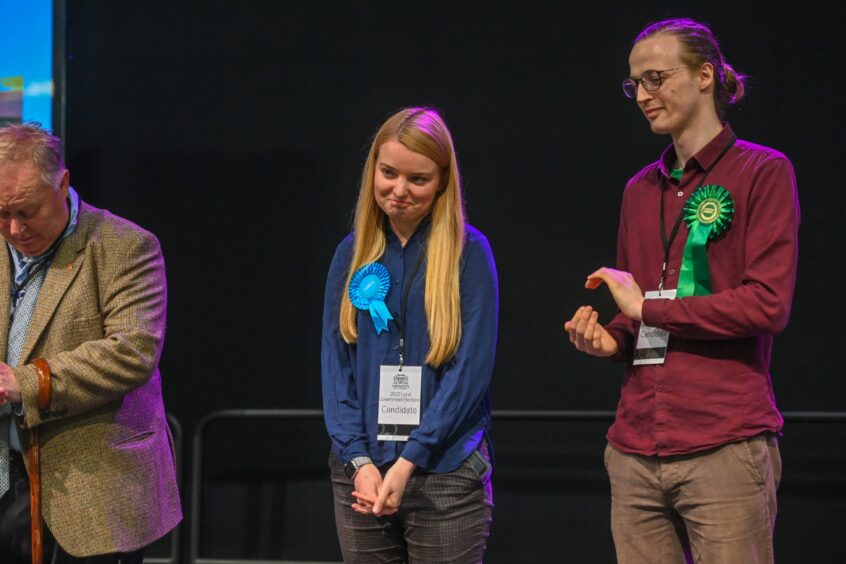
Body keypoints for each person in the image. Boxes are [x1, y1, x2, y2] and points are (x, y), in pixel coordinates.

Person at [564, 18, 799, 564]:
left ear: (704, 77)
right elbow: (636, 312)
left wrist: (642, 307)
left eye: (655, 78)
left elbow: (767, 303)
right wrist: (612, 339)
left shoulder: (762, 172)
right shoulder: (639, 190)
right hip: (635, 445)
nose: (643, 95)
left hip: (722, 441)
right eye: (634, 84)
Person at [321, 107, 498, 563]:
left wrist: (410, 458)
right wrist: (358, 462)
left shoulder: (469, 253)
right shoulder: (351, 253)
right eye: (388, 173)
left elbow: (469, 373)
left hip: (444, 473)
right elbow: (336, 366)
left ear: (441, 181)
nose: (399, 191)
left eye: (417, 179)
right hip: (362, 474)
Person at [0, 123, 181, 563]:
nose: (14, 228)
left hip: (93, 488)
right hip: (6, 476)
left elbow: (131, 352)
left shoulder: (125, 246)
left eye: (27, 211)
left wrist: (24, 383)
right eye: (1, 213)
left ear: (62, 184)